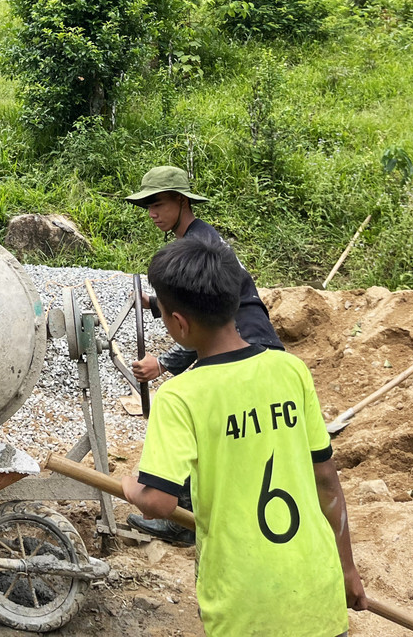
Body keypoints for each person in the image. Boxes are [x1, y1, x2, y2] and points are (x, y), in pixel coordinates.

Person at [121, 235, 367, 637]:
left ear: (178, 323)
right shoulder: (290, 370)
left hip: (245, 608)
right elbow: (326, 480)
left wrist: (128, 486)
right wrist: (348, 568)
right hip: (318, 592)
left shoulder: (180, 396)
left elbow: (159, 503)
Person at [125, 165, 285, 544]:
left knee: (200, 423)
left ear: (182, 201)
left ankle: (182, 520)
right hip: (248, 339)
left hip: (245, 339)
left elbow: (210, 319)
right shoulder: (197, 239)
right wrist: (153, 303)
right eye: (146, 205)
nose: (151, 213)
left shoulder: (201, 245)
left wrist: (163, 363)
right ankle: (200, 513)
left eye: (158, 204)